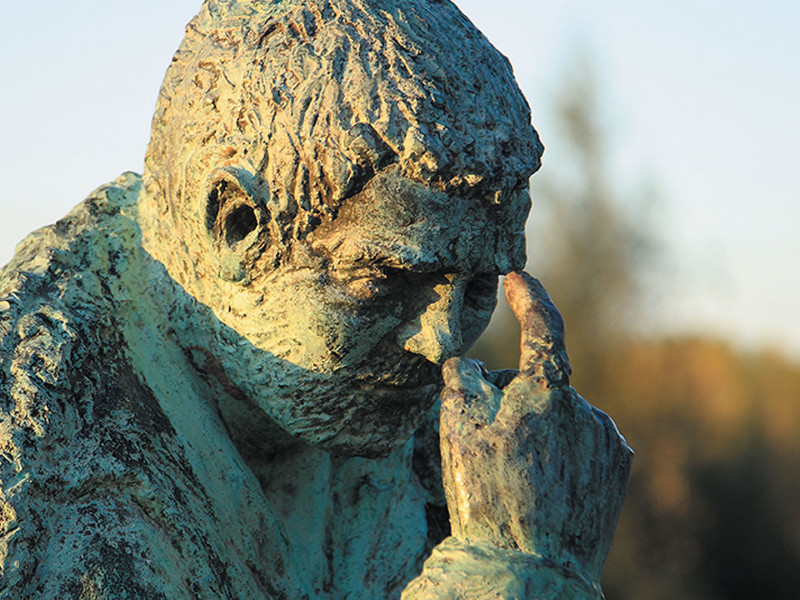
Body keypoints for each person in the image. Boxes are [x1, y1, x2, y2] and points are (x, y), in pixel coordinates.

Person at [0, 0, 632, 597]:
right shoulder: (33, 489)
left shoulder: (449, 465)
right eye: (385, 280)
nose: (442, 345)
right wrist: (511, 572)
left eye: (481, 287)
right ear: (236, 224)